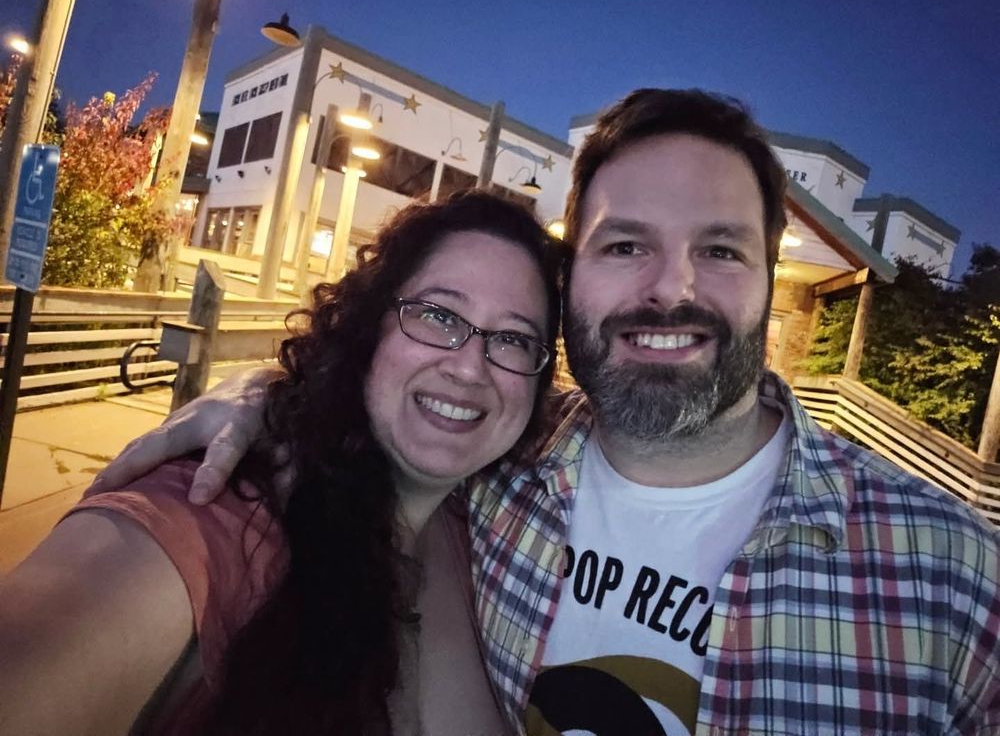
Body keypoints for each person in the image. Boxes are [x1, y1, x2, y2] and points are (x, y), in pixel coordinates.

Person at [91, 89, 999, 735]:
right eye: (625, 245)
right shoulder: (493, 466)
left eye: (721, 250)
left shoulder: (955, 582)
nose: (671, 288)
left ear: (769, 279)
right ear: (574, 286)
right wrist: (266, 394)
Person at [0, 190, 566, 735]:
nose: (469, 368)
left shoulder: (483, 527)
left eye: (514, 340)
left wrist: (261, 384)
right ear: (369, 328)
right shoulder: (215, 511)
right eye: (438, 315)